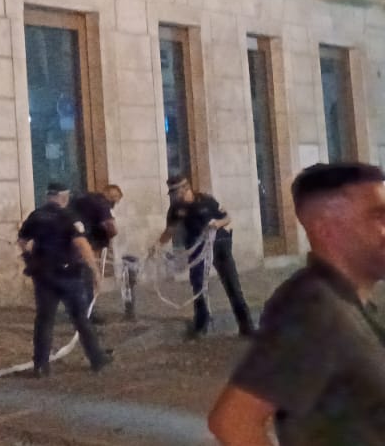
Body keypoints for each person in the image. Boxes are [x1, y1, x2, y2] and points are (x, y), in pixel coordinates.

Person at [207, 162, 385, 445]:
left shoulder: (350, 302)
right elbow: (234, 421)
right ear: (329, 230)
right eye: (378, 217)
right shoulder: (315, 309)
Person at [18, 181, 109, 377]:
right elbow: (82, 245)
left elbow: (22, 241)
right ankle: (97, 359)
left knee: (44, 320)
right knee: (80, 319)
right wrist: (95, 271)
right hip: (68, 275)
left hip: (43, 275)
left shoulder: (36, 215)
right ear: (64, 198)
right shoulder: (70, 216)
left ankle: (41, 365)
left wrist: (30, 258)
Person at [156, 175, 253, 337]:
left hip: (220, 246)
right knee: (198, 287)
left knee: (232, 285)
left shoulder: (206, 200)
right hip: (196, 250)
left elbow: (227, 218)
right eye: (171, 192)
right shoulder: (175, 209)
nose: (173, 196)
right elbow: (170, 231)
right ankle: (201, 325)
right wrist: (157, 245)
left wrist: (217, 224)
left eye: (175, 191)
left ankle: (246, 326)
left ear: (185, 188)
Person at [71, 184, 122, 322]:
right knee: (88, 276)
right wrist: (111, 235)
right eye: (116, 199)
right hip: (88, 244)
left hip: (71, 243)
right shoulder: (103, 204)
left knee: (77, 277)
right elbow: (110, 226)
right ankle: (87, 314)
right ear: (110, 196)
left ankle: (78, 309)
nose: (115, 203)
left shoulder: (83, 198)